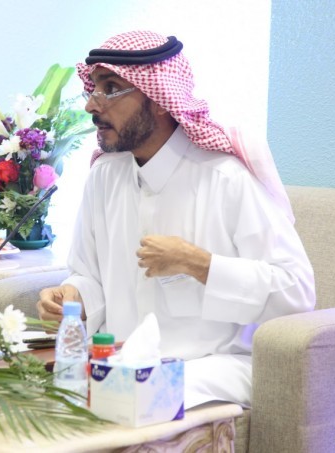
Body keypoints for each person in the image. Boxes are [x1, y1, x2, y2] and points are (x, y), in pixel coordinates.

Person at [36, 30, 315, 409]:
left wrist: (200, 264)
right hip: (119, 363)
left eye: (111, 88)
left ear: (159, 100)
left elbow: (296, 293)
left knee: (129, 399)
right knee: (37, 394)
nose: (91, 105)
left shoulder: (226, 179)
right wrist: (73, 297)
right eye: (94, 88)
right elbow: (88, 275)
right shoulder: (104, 177)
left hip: (210, 366)